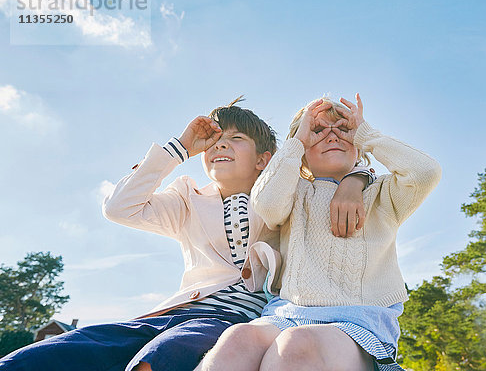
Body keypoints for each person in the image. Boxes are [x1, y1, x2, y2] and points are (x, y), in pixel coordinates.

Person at [0, 98, 371, 371]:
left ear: (264, 159)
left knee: (159, 360)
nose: (220, 145)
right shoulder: (187, 197)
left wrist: (358, 177)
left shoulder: (283, 195)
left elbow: (323, 180)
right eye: (215, 140)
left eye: (236, 138)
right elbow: (118, 208)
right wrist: (179, 149)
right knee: (44, 357)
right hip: (168, 312)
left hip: (230, 324)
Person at [198, 94, 442, 371]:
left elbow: (426, 172)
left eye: (344, 130)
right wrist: (297, 143)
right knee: (237, 339)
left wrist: (367, 136)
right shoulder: (295, 191)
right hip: (285, 314)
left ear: (358, 145)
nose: (333, 136)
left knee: (295, 346)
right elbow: (265, 203)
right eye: (318, 130)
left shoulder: (382, 194)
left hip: (357, 321)